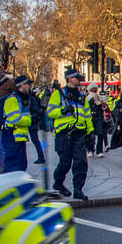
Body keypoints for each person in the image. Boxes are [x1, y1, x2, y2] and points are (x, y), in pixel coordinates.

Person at [47, 68, 93, 200]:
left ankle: (78, 189)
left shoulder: (81, 96)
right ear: (69, 79)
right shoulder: (58, 95)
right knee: (65, 162)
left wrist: (90, 132)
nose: (79, 80)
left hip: (79, 133)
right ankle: (58, 183)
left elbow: (87, 115)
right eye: (77, 77)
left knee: (81, 162)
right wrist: (63, 110)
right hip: (64, 134)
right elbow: (50, 112)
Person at [0, 75, 34, 174]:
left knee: (21, 166)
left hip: (19, 138)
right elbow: (15, 119)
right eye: (28, 84)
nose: (29, 87)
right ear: (22, 85)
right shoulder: (12, 99)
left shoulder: (21, 99)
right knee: (13, 167)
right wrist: (30, 120)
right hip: (12, 138)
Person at [86, 82, 106, 158]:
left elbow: (104, 108)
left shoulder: (99, 97)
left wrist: (103, 104)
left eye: (95, 89)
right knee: (91, 134)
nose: (94, 90)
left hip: (99, 117)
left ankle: (99, 151)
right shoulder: (87, 98)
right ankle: (90, 150)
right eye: (92, 89)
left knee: (100, 133)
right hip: (90, 118)